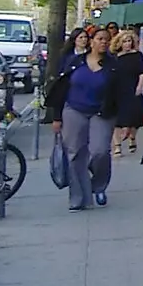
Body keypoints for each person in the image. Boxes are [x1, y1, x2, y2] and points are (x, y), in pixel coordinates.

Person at [50, 29, 118, 211]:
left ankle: (98, 186)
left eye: (107, 40)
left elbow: (121, 93)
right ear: (91, 41)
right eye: (100, 39)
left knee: (100, 151)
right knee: (74, 153)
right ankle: (78, 198)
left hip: (101, 112)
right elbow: (61, 89)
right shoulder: (75, 62)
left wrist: (126, 121)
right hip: (74, 109)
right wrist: (57, 117)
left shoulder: (113, 65)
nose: (103, 42)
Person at [110, 30, 143, 156]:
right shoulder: (115, 57)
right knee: (117, 118)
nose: (127, 44)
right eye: (124, 41)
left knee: (135, 115)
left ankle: (132, 137)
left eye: (129, 41)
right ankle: (117, 145)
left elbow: (142, 72)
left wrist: (139, 86)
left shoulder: (137, 55)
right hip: (117, 89)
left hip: (132, 87)